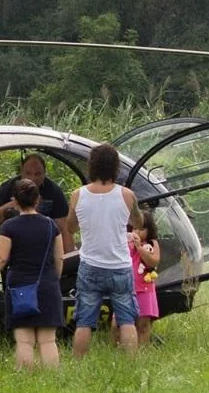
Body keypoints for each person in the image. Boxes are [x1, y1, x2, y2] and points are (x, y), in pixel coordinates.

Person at [0, 178, 64, 369]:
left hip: (20, 287)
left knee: (24, 340)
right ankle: (52, 379)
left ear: (14, 201)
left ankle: (26, 377)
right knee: (48, 340)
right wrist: (54, 279)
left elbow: (1, 258)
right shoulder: (51, 225)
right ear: (38, 199)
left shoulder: (9, 227)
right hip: (47, 285)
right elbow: (59, 258)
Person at [65, 142, 141, 357]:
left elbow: (70, 227)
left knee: (84, 321)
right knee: (127, 319)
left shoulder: (78, 195)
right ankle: (131, 363)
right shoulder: (127, 195)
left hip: (91, 265)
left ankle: (79, 362)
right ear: (115, 167)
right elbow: (138, 221)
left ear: (92, 166)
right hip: (120, 266)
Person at [0, 154, 74, 252]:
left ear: (45, 173)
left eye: (37, 174)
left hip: (44, 245)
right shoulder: (8, 187)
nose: (33, 178)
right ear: (21, 172)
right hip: (13, 244)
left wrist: (69, 257)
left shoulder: (53, 191)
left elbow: (64, 229)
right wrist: (10, 206)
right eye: (28, 173)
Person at [129, 208, 161, 347]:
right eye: (134, 228)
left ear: (149, 229)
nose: (137, 232)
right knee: (118, 323)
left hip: (145, 289)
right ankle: (122, 348)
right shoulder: (127, 243)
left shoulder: (152, 244)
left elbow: (153, 262)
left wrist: (139, 248)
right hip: (127, 289)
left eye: (141, 229)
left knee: (143, 324)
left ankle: (142, 349)